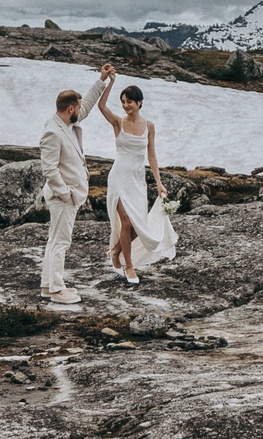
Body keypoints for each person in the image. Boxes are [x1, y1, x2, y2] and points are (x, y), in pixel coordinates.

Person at [96, 66, 178, 283]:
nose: (125, 105)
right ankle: (128, 266)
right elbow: (101, 106)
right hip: (119, 177)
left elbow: (151, 157)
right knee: (127, 222)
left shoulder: (149, 126)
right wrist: (109, 82)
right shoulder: (118, 122)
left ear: (139, 102)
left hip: (137, 180)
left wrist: (159, 183)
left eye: (129, 101)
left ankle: (115, 251)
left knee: (138, 225)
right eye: (123, 101)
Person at [36, 67, 109, 305]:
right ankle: (57, 289)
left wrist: (101, 80)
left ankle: (48, 286)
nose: (80, 110)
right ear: (70, 109)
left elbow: (86, 106)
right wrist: (66, 194)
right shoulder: (52, 132)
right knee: (60, 242)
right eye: (77, 108)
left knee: (54, 240)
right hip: (63, 197)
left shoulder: (65, 122)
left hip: (66, 195)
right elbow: (49, 170)